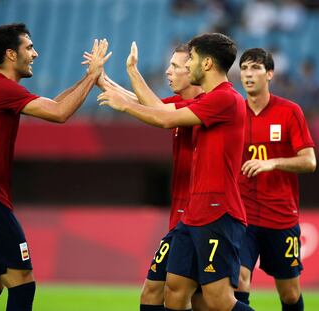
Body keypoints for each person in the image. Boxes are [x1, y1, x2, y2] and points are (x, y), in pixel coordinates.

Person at [0, 23, 111, 311]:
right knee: (23, 282)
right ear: (11, 54)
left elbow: (53, 104)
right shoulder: (1, 90)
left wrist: (88, 78)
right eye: (29, 48)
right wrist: (92, 77)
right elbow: (60, 113)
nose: (35, 54)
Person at [98, 33, 253, 311]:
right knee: (173, 290)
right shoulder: (207, 101)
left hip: (218, 211)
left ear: (206, 64)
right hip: (193, 213)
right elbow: (160, 109)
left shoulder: (226, 99)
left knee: (217, 301)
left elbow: (165, 118)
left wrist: (125, 105)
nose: (183, 66)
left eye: (190, 59)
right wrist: (118, 77)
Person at [93, 42, 204, 311]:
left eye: (175, 66)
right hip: (181, 219)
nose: (167, 72)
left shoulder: (203, 105)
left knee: (197, 299)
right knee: (158, 293)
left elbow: (159, 115)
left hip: (201, 219)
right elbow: (142, 103)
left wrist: (132, 70)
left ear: (194, 71)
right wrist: (100, 79)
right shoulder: (179, 104)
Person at [235, 48, 316, 311]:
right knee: (239, 280)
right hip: (243, 216)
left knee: (290, 294)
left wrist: (273, 163)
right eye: (244, 68)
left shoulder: (289, 111)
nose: (248, 74)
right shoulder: (233, 113)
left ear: (269, 74)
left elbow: (309, 161)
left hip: (280, 216)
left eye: (255, 68)